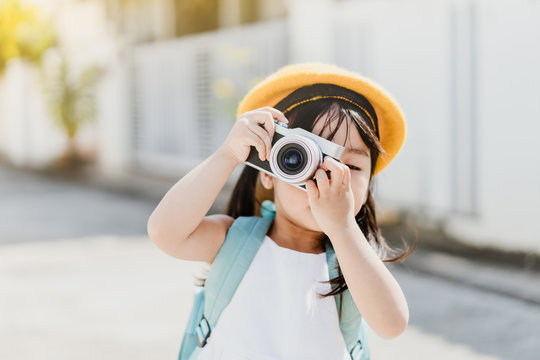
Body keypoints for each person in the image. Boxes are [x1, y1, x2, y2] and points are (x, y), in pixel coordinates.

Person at [147, 62, 415, 359]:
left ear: (368, 187)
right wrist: (227, 155)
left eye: (351, 166)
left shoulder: (353, 264)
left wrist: (341, 227)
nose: (327, 176)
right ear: (268, 171)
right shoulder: (235, 241)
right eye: (303, 158)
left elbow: (392, 325)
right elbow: (164, 232)